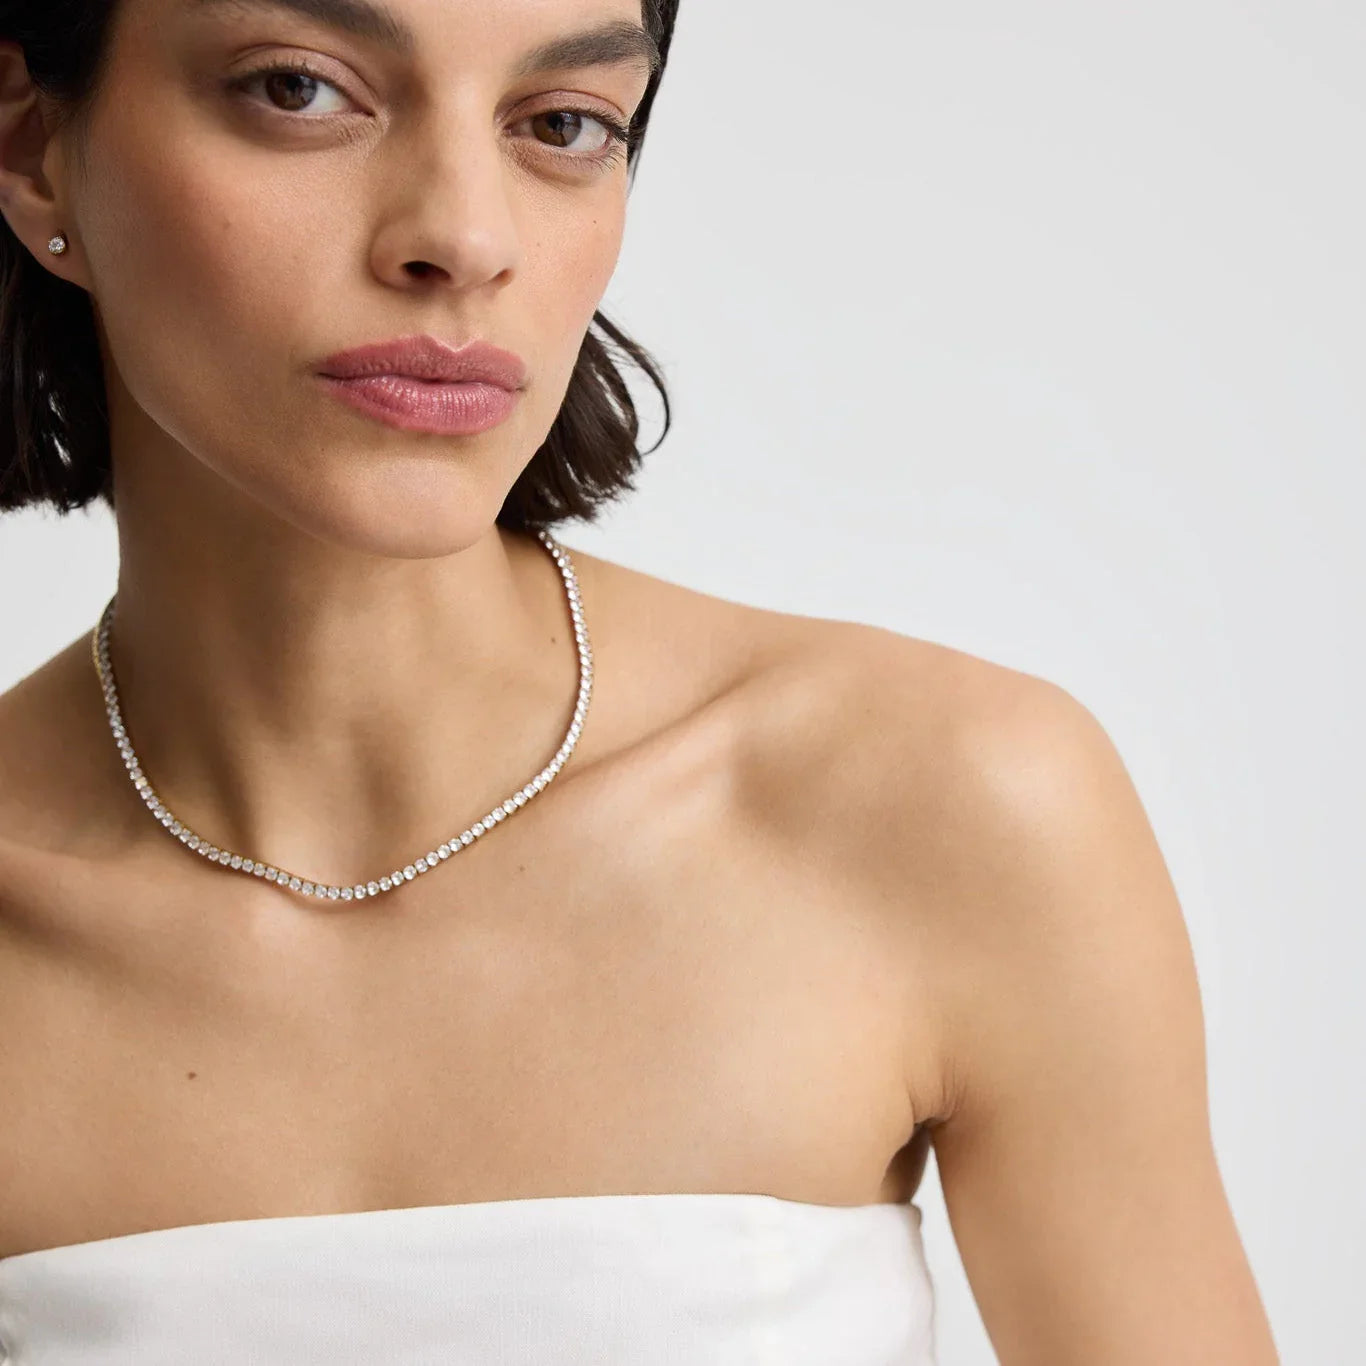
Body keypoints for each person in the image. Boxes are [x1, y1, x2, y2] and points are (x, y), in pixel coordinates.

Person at [0, 0, 1280, 1361]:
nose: (463, 238)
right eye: (301, 93)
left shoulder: (942, 799)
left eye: (561, 125)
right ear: (32, 150)